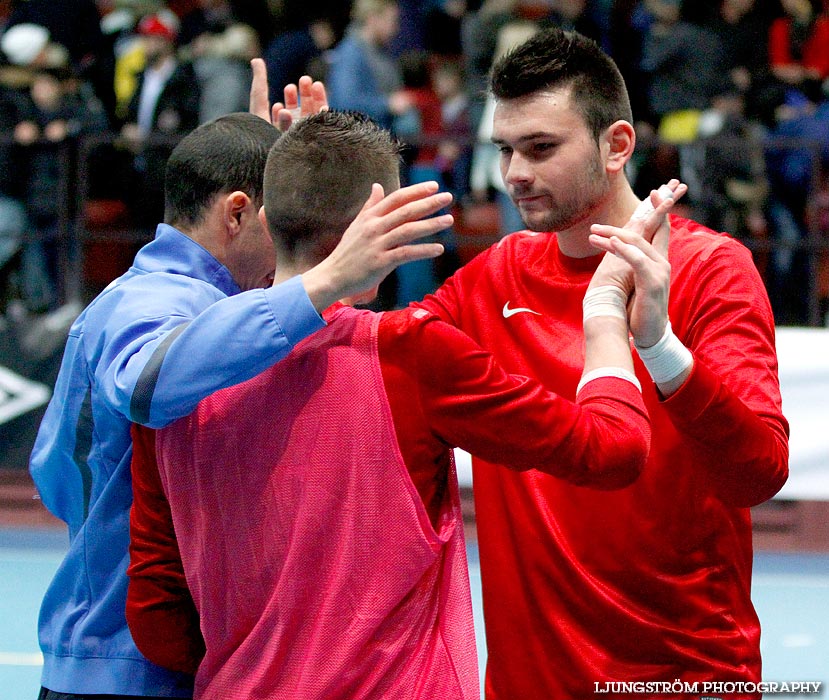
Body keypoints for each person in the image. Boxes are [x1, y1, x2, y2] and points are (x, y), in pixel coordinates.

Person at [125, 109, 682, 698]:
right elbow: (613, 450)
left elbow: (157, 614)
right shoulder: (409, 355)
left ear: (265, 217)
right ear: (383, 229)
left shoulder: (173, 378)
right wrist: (603, 314)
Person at [28, 88, 454, 698]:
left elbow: (57, 478)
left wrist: (303, 169)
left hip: (165, 658)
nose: (290, 242)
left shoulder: (200, 301)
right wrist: (325, 276)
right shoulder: (152, 299)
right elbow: (147, 382)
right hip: (122, 666)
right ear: (235, 213)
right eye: (277, 218)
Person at [412, 27, 789, 699]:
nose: (513, 174)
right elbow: (367, 358)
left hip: (685, 678)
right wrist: (293, 222)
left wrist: (657, 347)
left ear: (616, 144)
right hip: (527, 684)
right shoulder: (495, 275)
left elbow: (756, 473)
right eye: (504, 149)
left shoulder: (710, 271)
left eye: (540, 148)